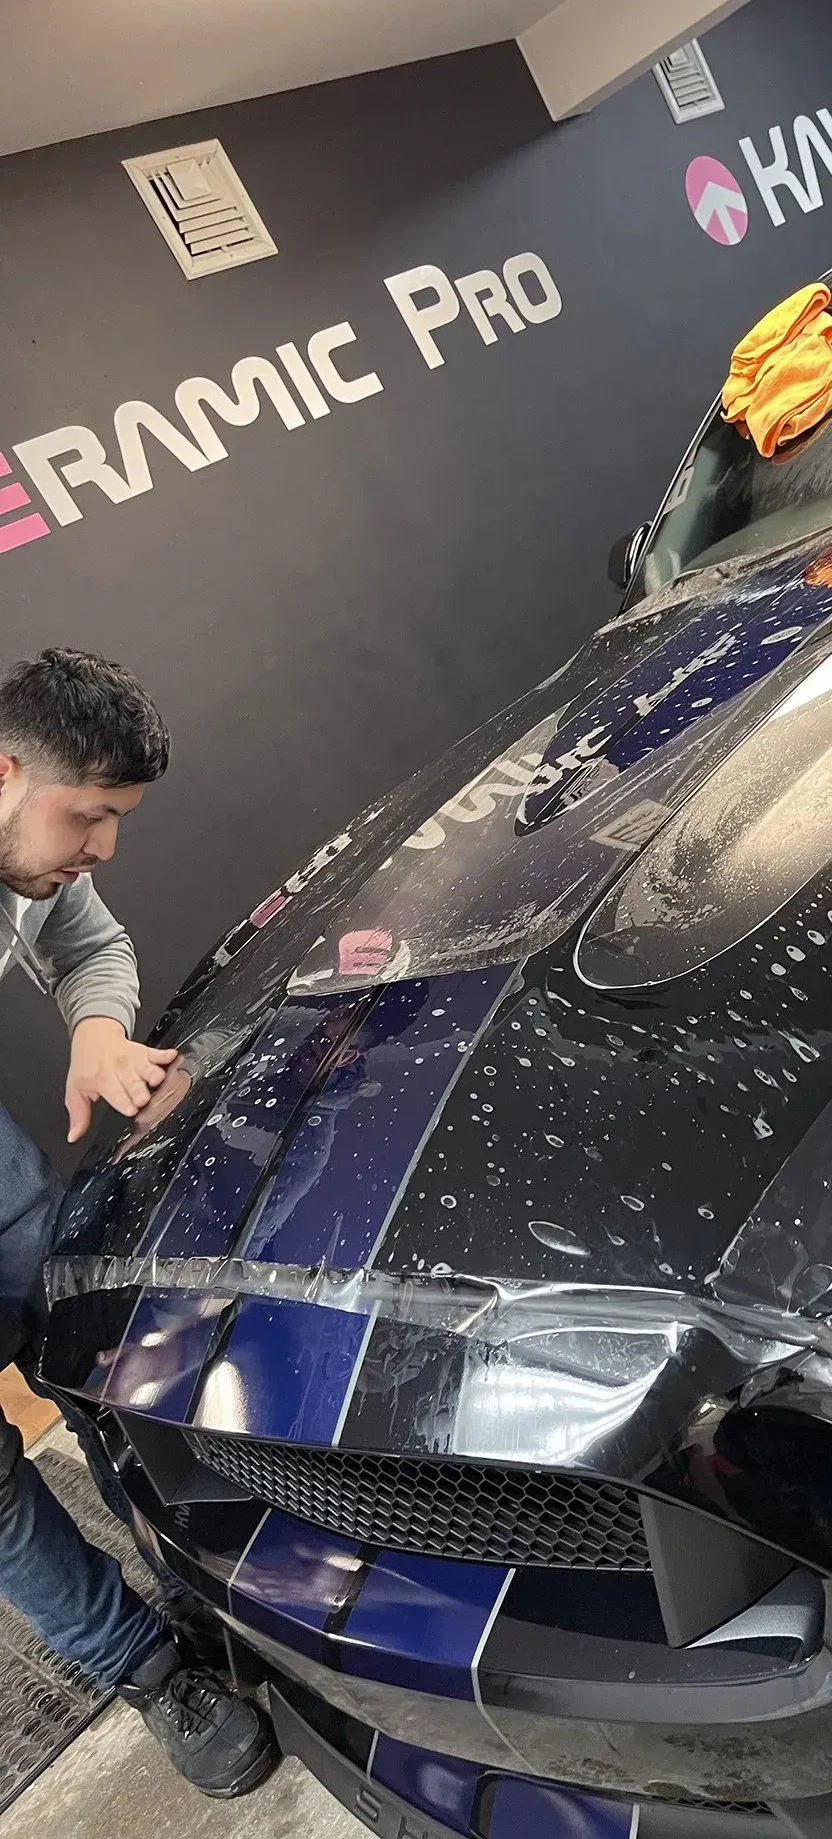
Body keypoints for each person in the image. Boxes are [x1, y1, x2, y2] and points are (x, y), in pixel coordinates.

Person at [0, 647, 275, 1799]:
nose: (103, 846)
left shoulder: (33, 862)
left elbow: (91, 944)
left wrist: (98, 1028)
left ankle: (193, 1568)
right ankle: (150, 1667)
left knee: (100, 1347)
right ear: (5, 772)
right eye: (91, 816)